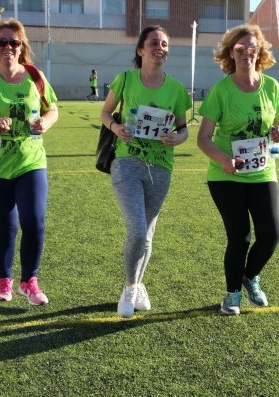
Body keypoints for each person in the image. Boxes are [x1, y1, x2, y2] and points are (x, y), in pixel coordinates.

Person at [197, 24, 279, 316]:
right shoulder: (221, 91)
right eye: (240, 48)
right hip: (227, 175)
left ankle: (250, 276)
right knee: (240, 236)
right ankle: (232, 294)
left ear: (260, 52)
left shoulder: (271, 86)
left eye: (252, 48)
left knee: (271, 234)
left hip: (262, 171)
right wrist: (223, 159)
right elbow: (203, 138)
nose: (247, 53)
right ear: (230, 53)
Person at [0, 18, 58, 305]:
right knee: (6, 227)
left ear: (22, 47)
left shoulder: (35, 76)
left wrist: (44, 122)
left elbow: (53, 109)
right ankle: (4, 280)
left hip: (30, 161)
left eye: (14, 42)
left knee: (34, 221)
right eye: (2, 42)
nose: (9, 47)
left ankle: (29, 280)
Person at [100, 25, 191, 318]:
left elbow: (183, 128)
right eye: (154, 43)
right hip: (126, 162)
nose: (160, 48)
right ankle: (129, 287)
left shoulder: (176, 89)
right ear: (141, 50)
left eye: (165, 44)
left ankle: (138, 283)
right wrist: (116, 127)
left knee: (148, 234)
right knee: (138, 229)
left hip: (161, 167)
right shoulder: (125, 80)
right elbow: (105, 113)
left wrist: (177, 138)